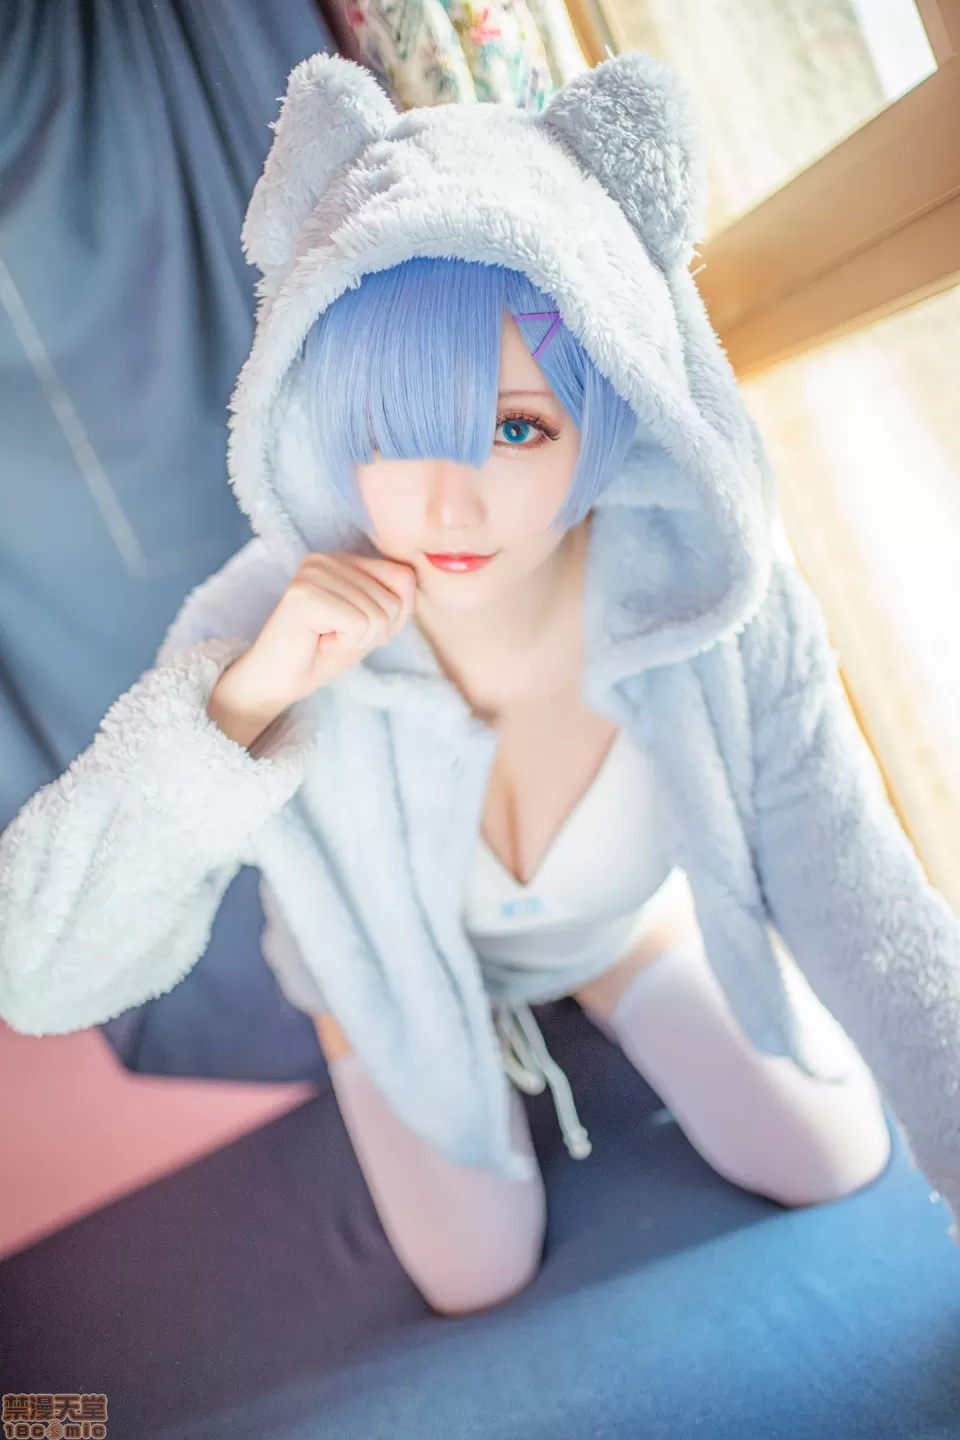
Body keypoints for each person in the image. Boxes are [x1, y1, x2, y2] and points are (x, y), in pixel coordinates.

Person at [2, 50, 959, 1318]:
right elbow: (41, 975)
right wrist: (238, 707)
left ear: (606, 402)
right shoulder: (268, 618)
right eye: (393, 430)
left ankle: (601, 973)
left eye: (515, 427)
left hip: (613, 922)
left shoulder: (713, 600)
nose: (449, 505)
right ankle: (414, 1034)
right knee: (474, 1272)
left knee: (831, 1152)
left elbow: (858, 888)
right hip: (391, 985)